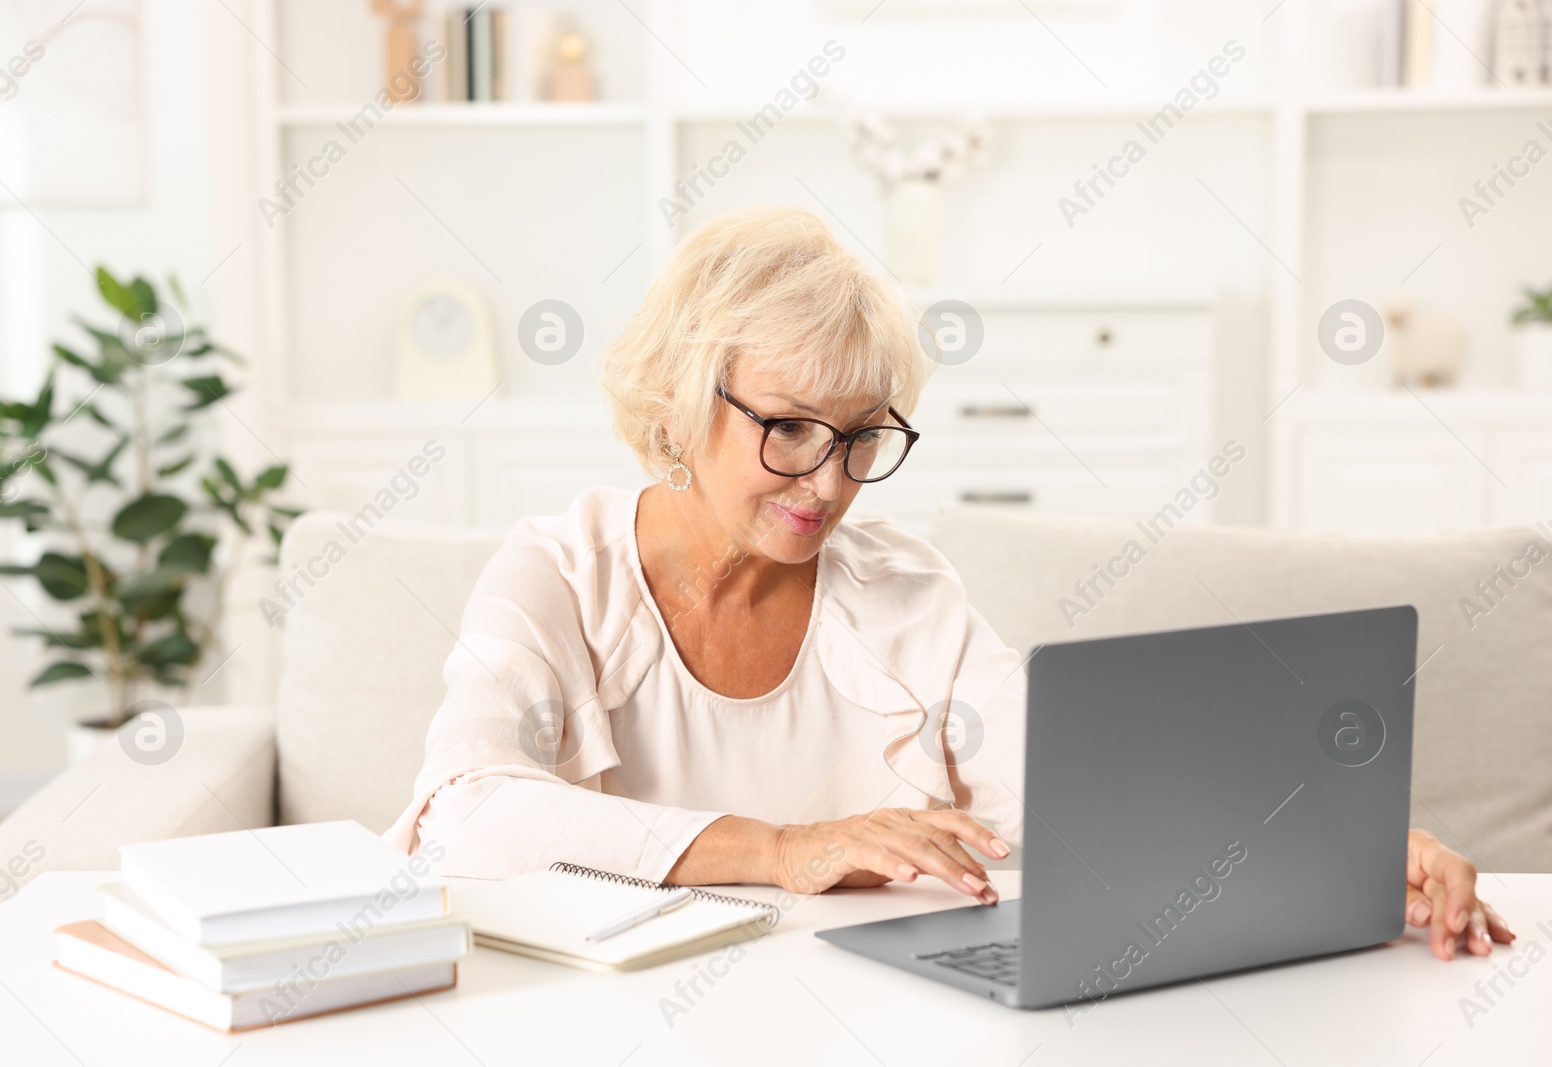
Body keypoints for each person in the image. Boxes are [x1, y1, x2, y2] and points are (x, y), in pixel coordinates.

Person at [384, 205, 1512, 960]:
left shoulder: (900, 592)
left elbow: (1070, 770)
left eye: (863, 437)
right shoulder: (558, 573)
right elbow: (463, 814)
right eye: (787, 428)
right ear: (681, 401)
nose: (826, 483)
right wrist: (781, 848)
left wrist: (1336, 839)